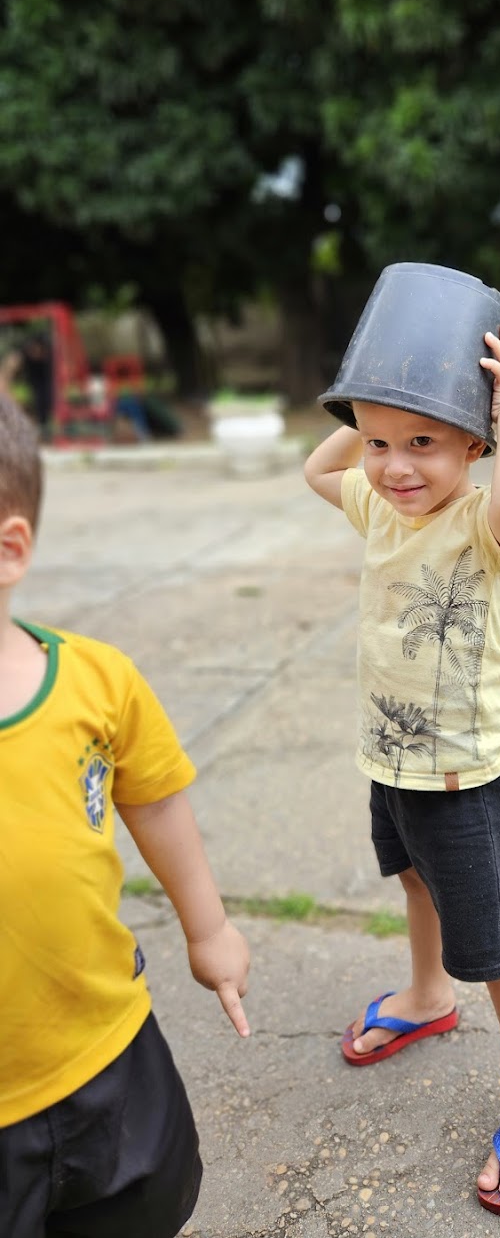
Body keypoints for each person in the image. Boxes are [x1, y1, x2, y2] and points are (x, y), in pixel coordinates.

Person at [304, 316, 500, 1217]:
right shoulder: (379, 502)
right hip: (392, 759)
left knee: (496, 940)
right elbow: (318, 469)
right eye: (380, 442)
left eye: (424, 441)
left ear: (475, 441)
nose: (395, 465)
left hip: (468, 779)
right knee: (413, 881)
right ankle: (426, 993)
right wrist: (375, 399)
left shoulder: (482, 524)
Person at [0, 393, 251, 1238]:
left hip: (106, 1047)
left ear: (8, 548)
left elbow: (154, 797)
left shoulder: (97, 683)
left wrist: (209, 927)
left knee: (137, 1211)